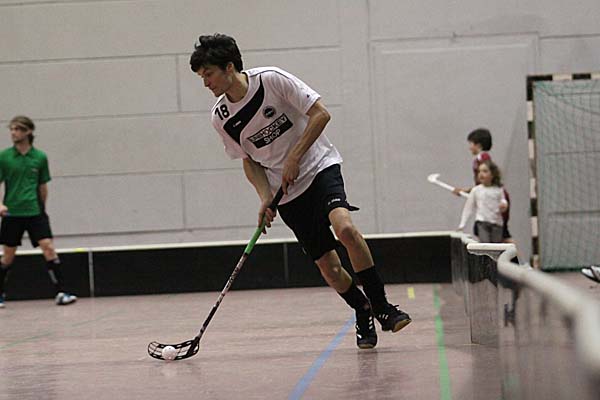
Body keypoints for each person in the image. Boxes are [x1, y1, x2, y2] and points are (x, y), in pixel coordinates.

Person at [189, 33, 411, 349]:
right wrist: (265, 197)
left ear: (229, 67)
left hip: (319, 167)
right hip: (287, 193)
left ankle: (382, 307)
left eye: (208, 74)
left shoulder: (271, 80)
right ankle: (362, 309)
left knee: (346, 230)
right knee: (330, 269)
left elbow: (321, 114)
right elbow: (248, 161)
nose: (205, 83)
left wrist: (295, 156)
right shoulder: (221, 118)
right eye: (201, 77)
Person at [0, 116, 76, 309]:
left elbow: (43, 185)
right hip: (12, 213)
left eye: (18, 129)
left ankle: (62, 292)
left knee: (48, 247)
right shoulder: (4, 157)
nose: (13, 133)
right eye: (12, 129)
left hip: (35, 212)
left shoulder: (40, 157)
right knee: (8, 256)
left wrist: (42, 208)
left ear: (28, 132)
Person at [457, 160, 508, 243]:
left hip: (497, 223)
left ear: (492, 174)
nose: (481, 174)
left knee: (496, 246)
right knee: (485, 244)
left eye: (485, 171)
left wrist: (504, 205)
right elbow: (468, 207)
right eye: (479, 171)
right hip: (482, 222)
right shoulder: (476, 190)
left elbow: (503, 200)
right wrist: (462, 224)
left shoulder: (498, 189)